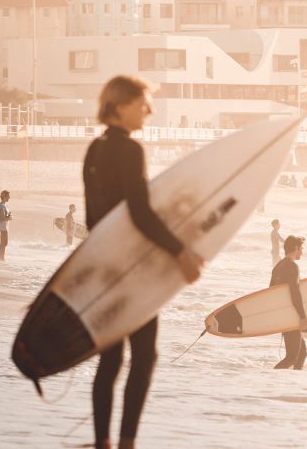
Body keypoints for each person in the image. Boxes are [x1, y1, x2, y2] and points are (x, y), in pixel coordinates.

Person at [85, 76, 203, 449]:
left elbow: (94, 221)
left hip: (104, 266)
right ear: (120, 105)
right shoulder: (131, 150)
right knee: (144, 355)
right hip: (132, 268)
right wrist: (179, 251)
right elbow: (139, 212)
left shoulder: (95, 148)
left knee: (111, 357)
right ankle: (127, 443)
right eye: (142, 103)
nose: (149, 110)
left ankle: (103, 441)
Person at [270, 235, 307, 370]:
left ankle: (292, 384)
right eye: (301, 248)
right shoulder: (293, 266)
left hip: (283, 314)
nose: (302, 252)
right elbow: (295, 292)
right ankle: (271, 378)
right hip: (291, 315)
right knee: (292, 357)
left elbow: (270, 292)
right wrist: (303, 317)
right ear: (296, 248)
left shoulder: (278, 266)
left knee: (302, 353)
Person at [0, 190, 12, 261]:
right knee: (3, 243)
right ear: (4, 196)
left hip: (5, 225)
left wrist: (9, 216)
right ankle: (1, 258)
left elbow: (7, 217)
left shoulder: (4, 205)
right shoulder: (1, 206)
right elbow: (3, 218)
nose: (9, 197)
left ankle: (2, 258)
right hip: (3, 225)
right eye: (8, 196)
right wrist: (9, 217)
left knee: (5, 243)